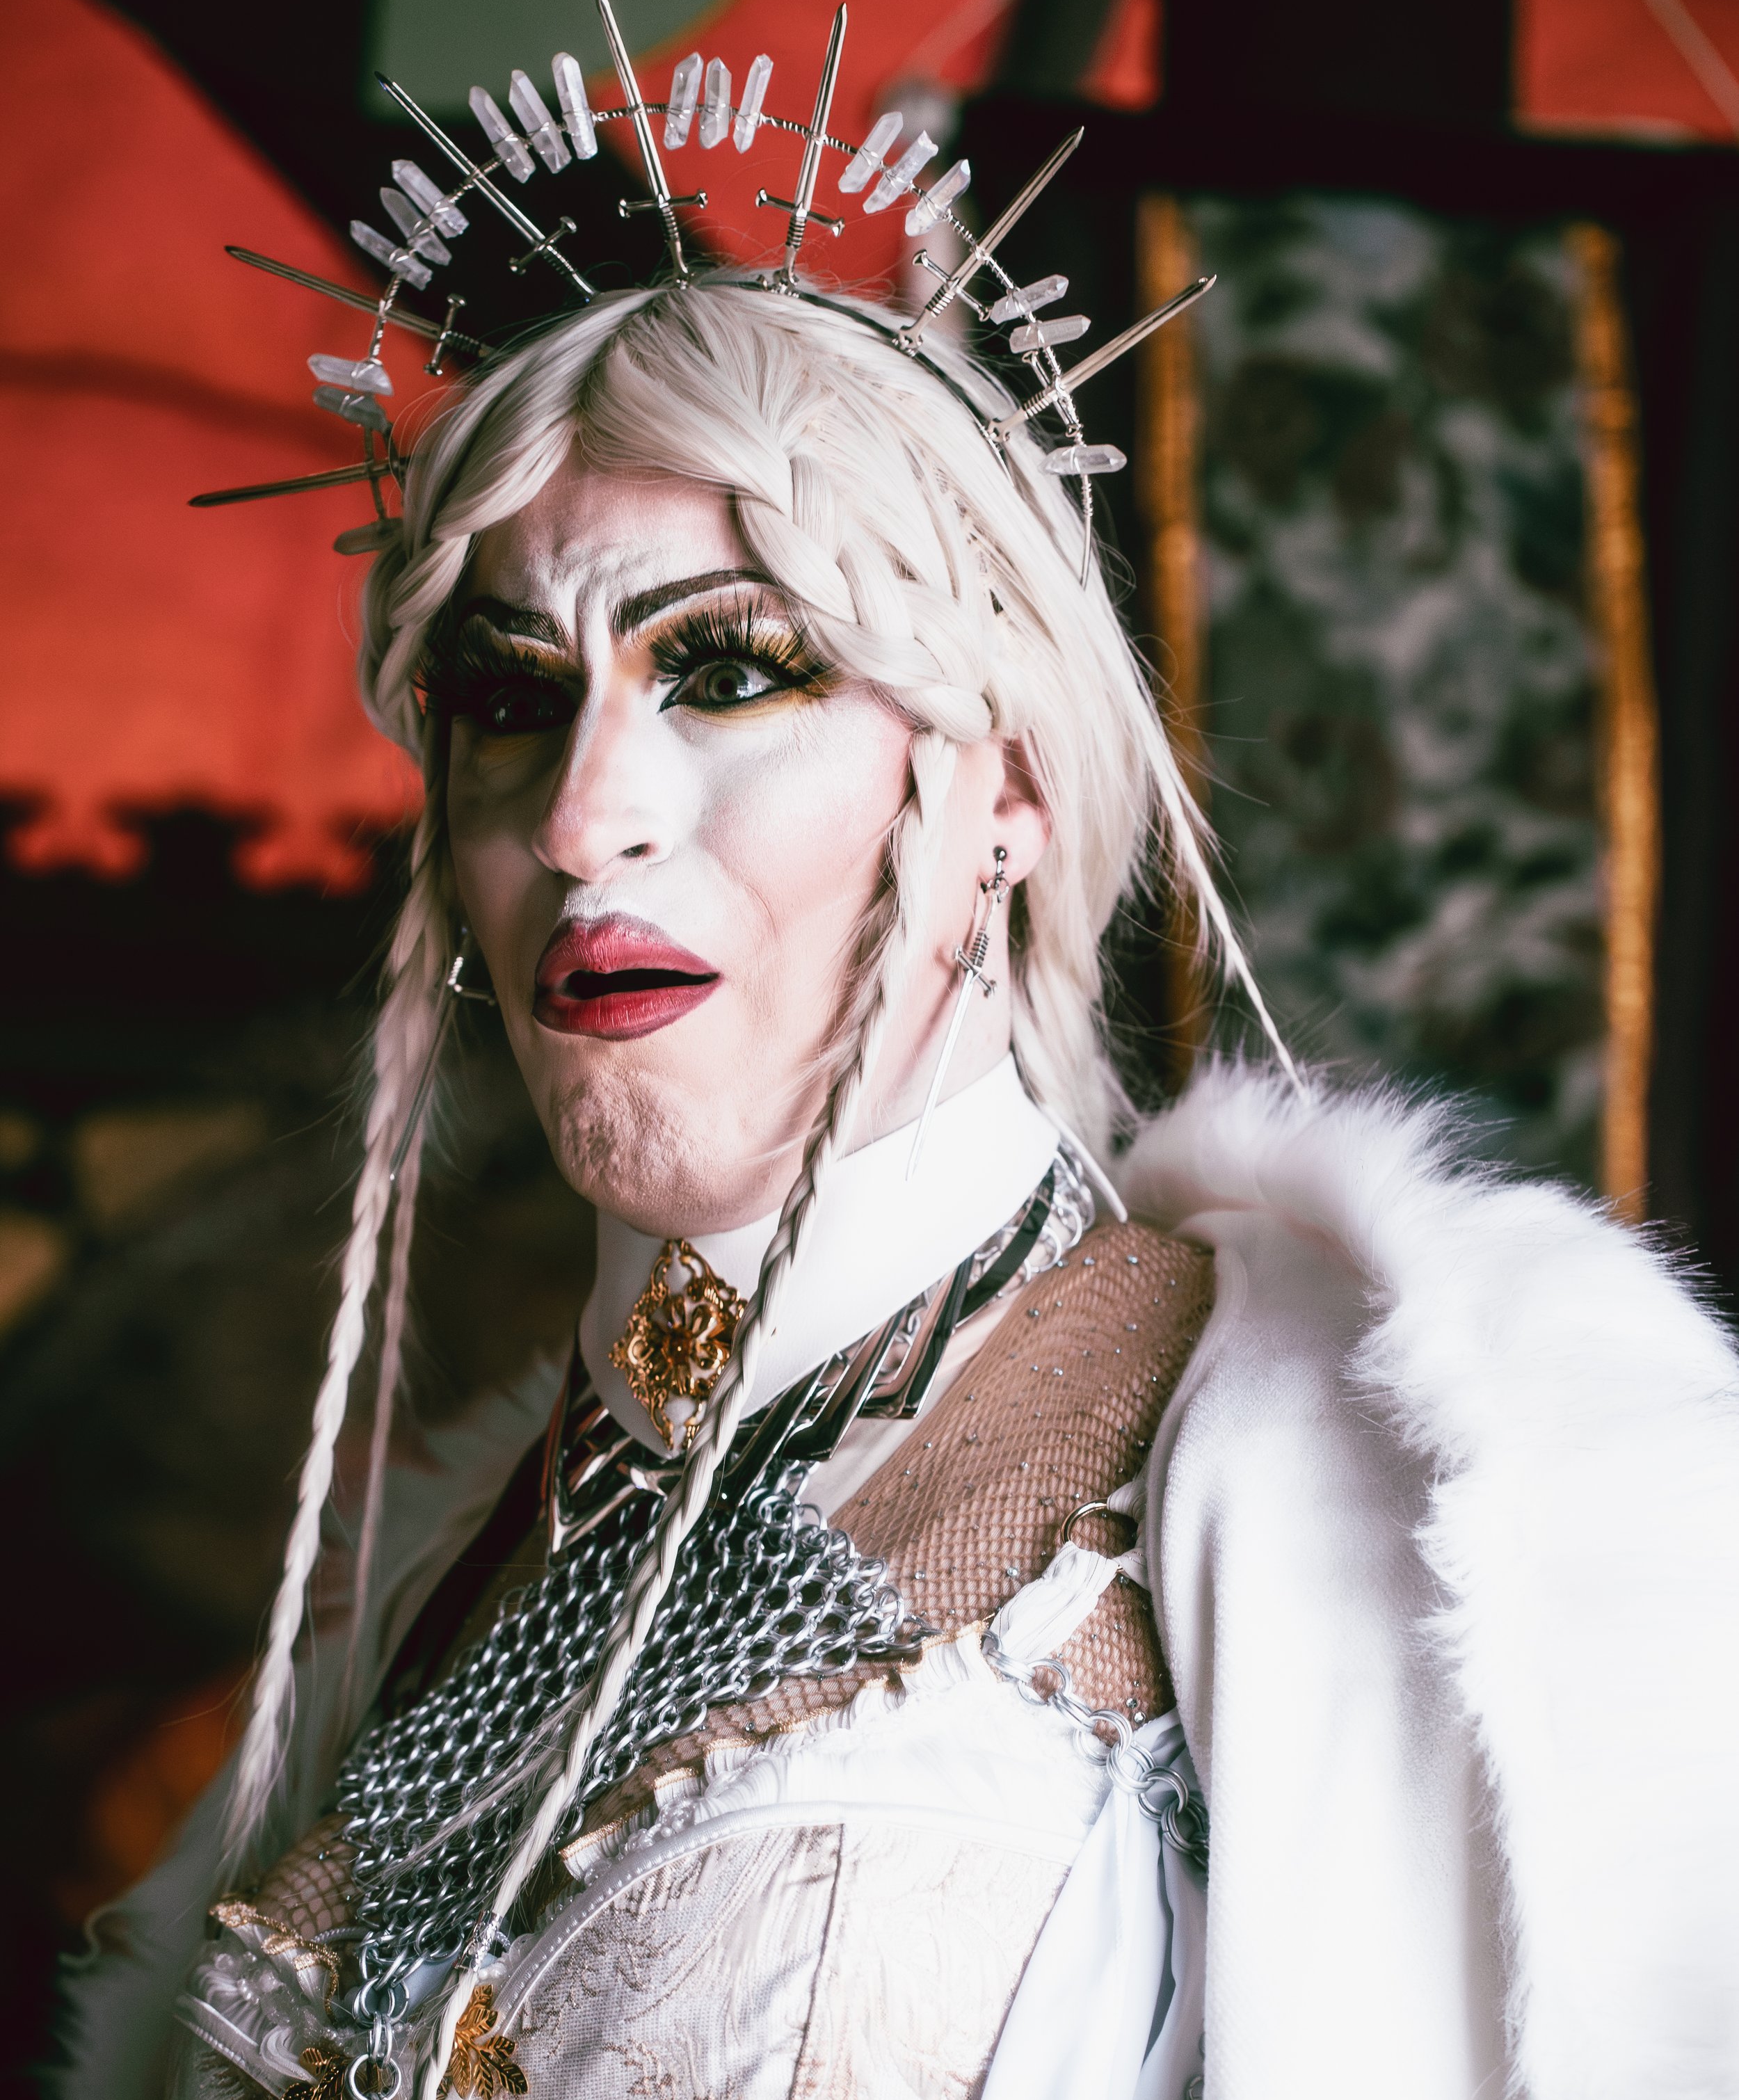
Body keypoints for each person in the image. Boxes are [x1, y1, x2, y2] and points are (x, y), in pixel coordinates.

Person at [58, 232, 1739, 2100]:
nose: (585, 813)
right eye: (512, 695)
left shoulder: (1329, 1448)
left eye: (729, 669)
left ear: (1002, 786)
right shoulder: (459, 1563)